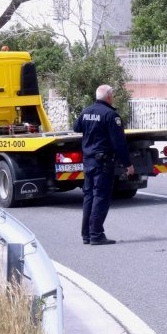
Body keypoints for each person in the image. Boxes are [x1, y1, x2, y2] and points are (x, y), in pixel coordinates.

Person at [73, 85, 134, 245]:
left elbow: (76, 127)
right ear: (108, 97)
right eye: (112, 95)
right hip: (103, 162)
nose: (112, 97)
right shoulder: (110, 115)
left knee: (89, 196)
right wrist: (128, 164)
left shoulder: (86, 111)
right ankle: (96, 234)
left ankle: (86, 234)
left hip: (88, 161)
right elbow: (119, 142)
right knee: (101, 196)